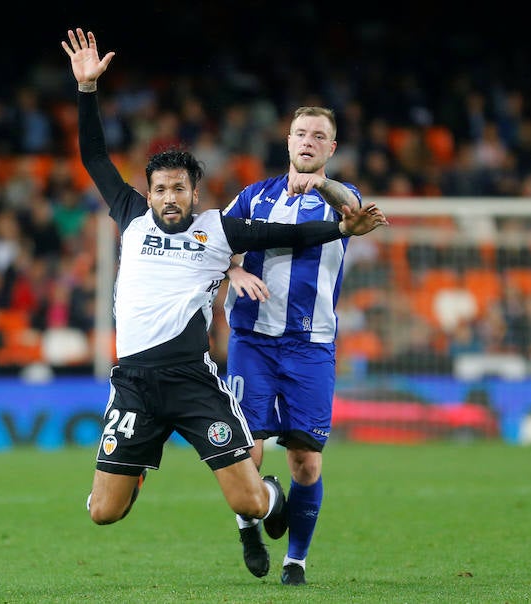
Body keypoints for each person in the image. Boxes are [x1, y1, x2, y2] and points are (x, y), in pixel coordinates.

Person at [61, 28, 387, 561]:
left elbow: (284, 234)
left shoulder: (216, 230)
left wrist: (340, 229)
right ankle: (134, 467)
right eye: (160, 189)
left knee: (252, 501)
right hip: (134, 385)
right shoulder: (130, 216)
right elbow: (94, 157)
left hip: (193, 383)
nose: (169, 198)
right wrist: (87, 89)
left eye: (179, 189)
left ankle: (272, 497)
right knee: (103, 512)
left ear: (195, 193)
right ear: (149, 194)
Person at [222, 104, 371, 584]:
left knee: (305, 462)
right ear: (288, 141)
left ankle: (296, 561)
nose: (308, 141)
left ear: (331, 147)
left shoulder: (341, 199)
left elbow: (352, 207)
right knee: (247, 453)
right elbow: (211, 242)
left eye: (318, 136)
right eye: (301, 133)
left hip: (311, 346)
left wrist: (322, 185)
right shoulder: (254, 196)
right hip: (252, 341)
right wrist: (233, 271)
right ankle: (250, 527)